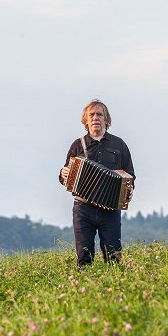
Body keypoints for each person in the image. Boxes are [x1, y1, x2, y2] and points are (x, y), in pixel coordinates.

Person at [59, 99, 135, 267]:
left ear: (106, 119)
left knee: (114, 257)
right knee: (84, 257)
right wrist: (63, 174)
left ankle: (115, 290)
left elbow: (130, 175)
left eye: (99, 114)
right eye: (91, 115)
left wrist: (128, 190)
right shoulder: (78, 145)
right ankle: (83, 290)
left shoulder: (119, 144)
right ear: (85, 120)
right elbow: (65, 175)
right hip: (83, 209)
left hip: (110, 211)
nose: (95, 118)